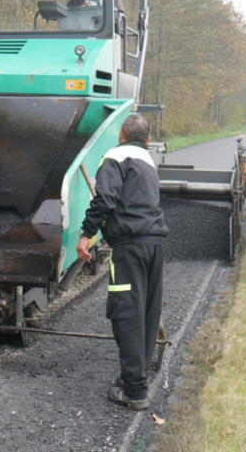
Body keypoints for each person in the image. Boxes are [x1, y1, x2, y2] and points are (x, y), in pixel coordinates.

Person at [76, 114, 167, 411]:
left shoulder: (115, 155)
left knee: (126, 312)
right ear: (149, 140)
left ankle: (136, 391)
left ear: (121, 134)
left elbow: (105, 200)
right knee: (147, 312)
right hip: (155, 244)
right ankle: (135, 377)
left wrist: (86, 234)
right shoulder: (148, 161)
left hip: (130, 247)